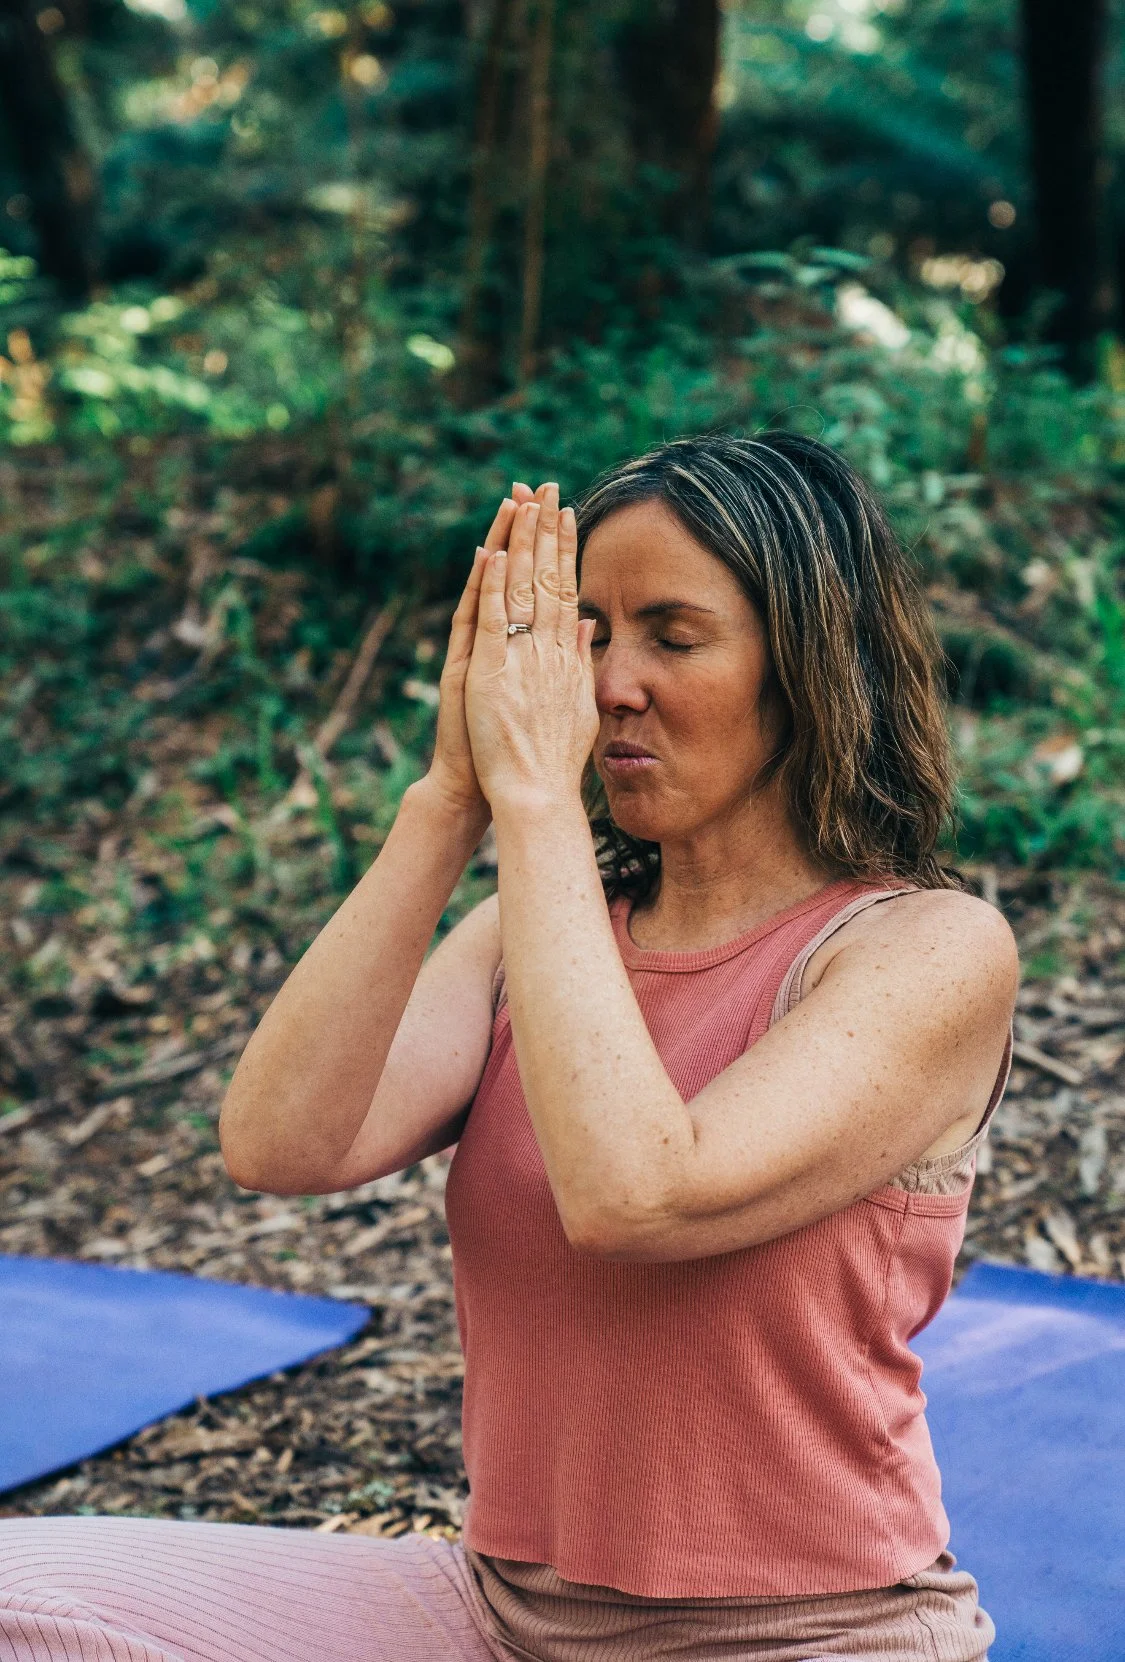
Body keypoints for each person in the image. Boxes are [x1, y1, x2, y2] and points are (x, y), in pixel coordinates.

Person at [0, 433, 1017, 1662]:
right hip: (504, 1619)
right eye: (586, 634)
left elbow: (638, 1194)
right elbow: (281, 1145)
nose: (605, 684)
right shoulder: (526, 934)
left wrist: (536, 804)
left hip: (808, 1635)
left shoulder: (928, 952)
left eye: (672, 637)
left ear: (809, 667)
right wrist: (451, 795)